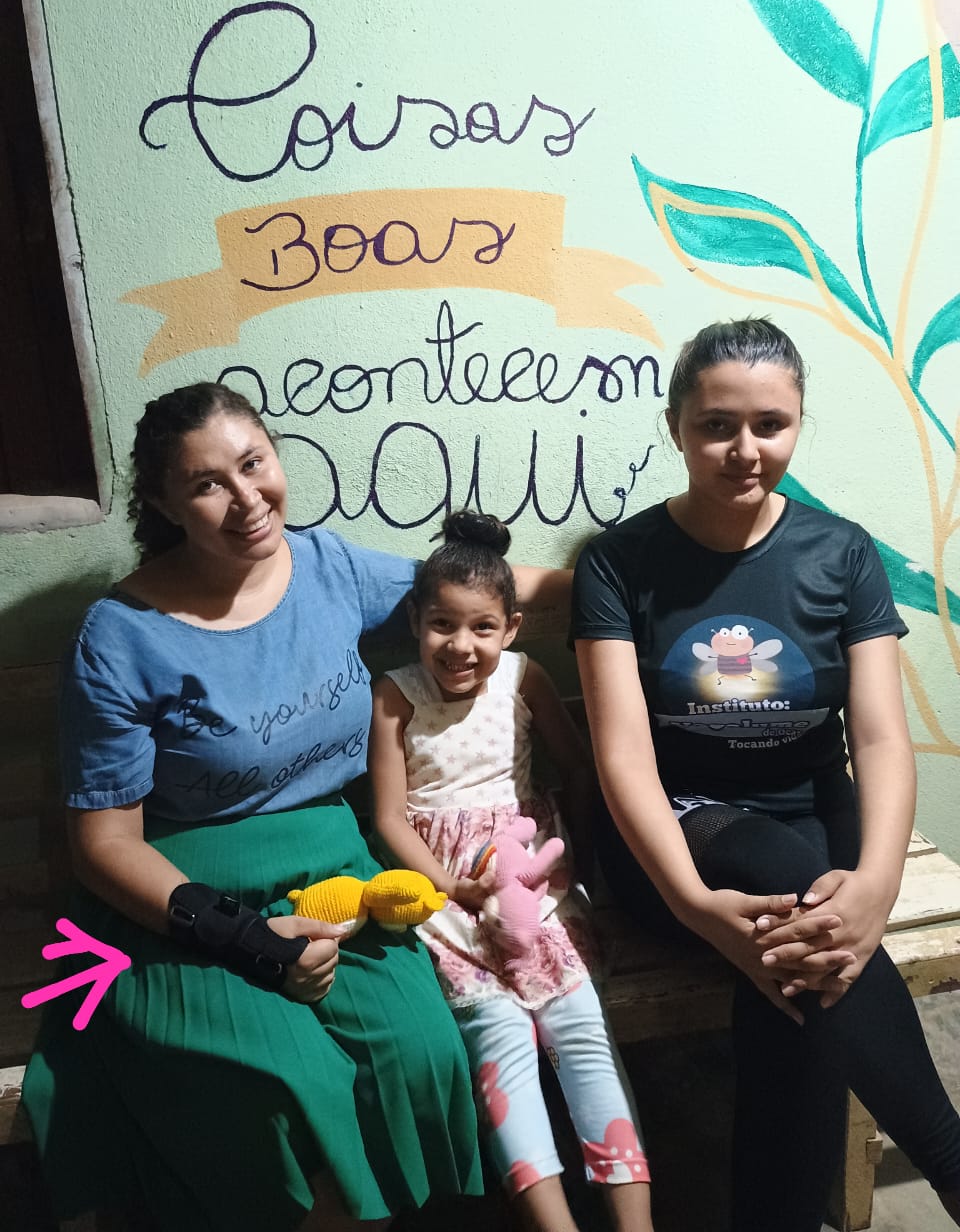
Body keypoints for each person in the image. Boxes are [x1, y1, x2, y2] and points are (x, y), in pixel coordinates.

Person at [22, 382, 565, 1232]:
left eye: (254, 464)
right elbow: (103, 845)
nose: (246, 498)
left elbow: (478, 589)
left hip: (338, 868)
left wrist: (628, 580)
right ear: (163, 503)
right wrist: (247, 940)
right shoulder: (119, 637)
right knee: (279, 1091)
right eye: (207, 484)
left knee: (421, 1051)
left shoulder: (327, 567)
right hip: (186, 896)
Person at [571, 318, 960, 1232]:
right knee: (802, 906)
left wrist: (876, 882)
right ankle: (947, 1157)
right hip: (674, 832)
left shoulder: (842, 552)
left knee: (799, 950)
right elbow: (623, 756)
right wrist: (692, 905)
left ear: (796, 424)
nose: (745, 450)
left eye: (770, 425)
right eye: (717, 425)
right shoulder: (619, 563)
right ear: (676, 426)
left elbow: (880, 739)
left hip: (813, 816)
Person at [369, 510, 653, 1232]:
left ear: (512, 628)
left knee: (583, 1032)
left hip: (535, 887)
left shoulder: (525, 679)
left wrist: (575, 862)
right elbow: (390, 818)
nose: (461, 646)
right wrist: (447, 885)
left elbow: (578, 767)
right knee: (499, 1044)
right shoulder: (396, 694)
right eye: (442, 624)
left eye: (483, 628)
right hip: (446, 902)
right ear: (416, 620)